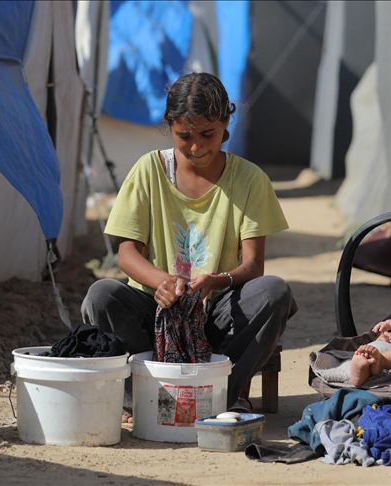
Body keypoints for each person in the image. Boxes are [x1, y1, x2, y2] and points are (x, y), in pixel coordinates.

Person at [81, 72, 298, 415]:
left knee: (274, 293)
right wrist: (162, 283)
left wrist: (217, 281)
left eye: (208, 134)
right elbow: (126, 253)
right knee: (102, 295)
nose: (196, 147)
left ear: (226, 121)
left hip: (217, 320)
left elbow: (254, 267)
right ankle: (141, 397)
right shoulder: (148, 170)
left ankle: (222, 394)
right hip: (155, 317)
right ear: (169, 127)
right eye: (184, 136)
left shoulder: (250, 180)